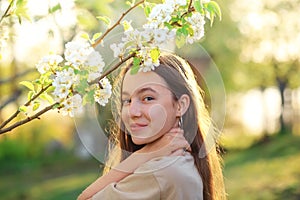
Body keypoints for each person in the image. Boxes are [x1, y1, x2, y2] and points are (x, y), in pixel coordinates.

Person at [78, 52, 226, 200]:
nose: (132, 112)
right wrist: (148, 153)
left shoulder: (162, 172)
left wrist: (145, 155)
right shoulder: (180, 162)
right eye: (127, 100)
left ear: (180, 105)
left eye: (148, 98)